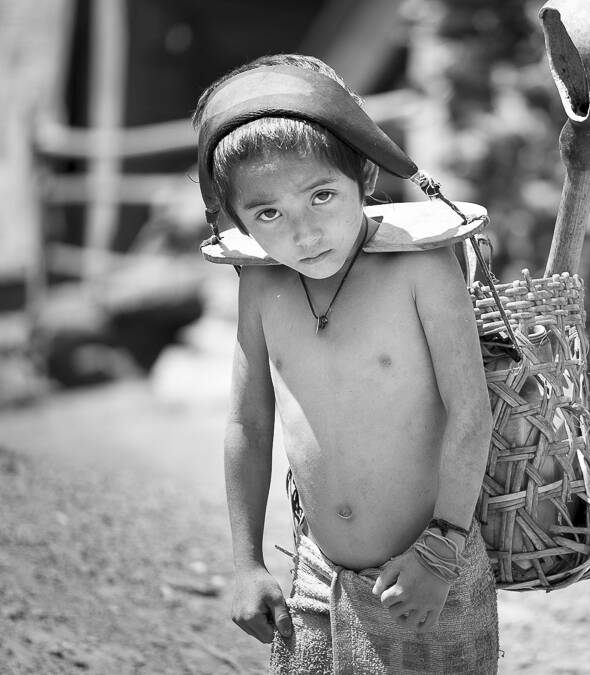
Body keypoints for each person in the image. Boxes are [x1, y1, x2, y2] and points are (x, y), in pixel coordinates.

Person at [193, 53, 498, 674]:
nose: (303, 235)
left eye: (322, 196)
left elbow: (472, 412)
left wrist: (441, 551)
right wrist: (247, 563)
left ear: (363, 175)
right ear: (237, 220)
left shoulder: (420, 267)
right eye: (268, 214)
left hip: (428, 572)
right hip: (315, 576)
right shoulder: (261, 286)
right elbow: (247, 426)